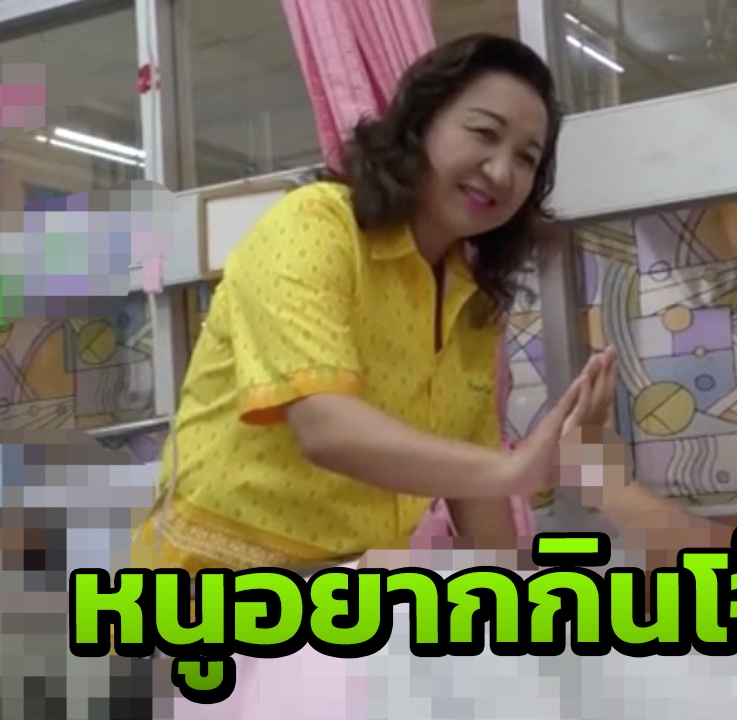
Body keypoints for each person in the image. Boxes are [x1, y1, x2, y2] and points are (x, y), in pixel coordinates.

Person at [130, 33, 619, 576]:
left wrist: (517, 602)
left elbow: (475, 497)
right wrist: (516, 469)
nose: (502, 172)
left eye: (526, 159)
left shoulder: (472, 305)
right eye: (484, 133)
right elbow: (327, 428)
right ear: (420, 124)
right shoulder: (313, 225)